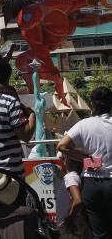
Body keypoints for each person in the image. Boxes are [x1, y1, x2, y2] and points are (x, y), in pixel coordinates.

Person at [57, 86, 112, 238]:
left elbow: (61, 146)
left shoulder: (83, 124)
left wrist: (86, 158)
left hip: (91, 185)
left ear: (92, 104)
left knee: (99, 233)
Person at [54, 154, 89, 238]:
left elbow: (78, 200)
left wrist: (69, 219)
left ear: (66, 161)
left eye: (62, 159)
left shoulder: (71, 177)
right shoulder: (79, 174)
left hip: (72, 225)